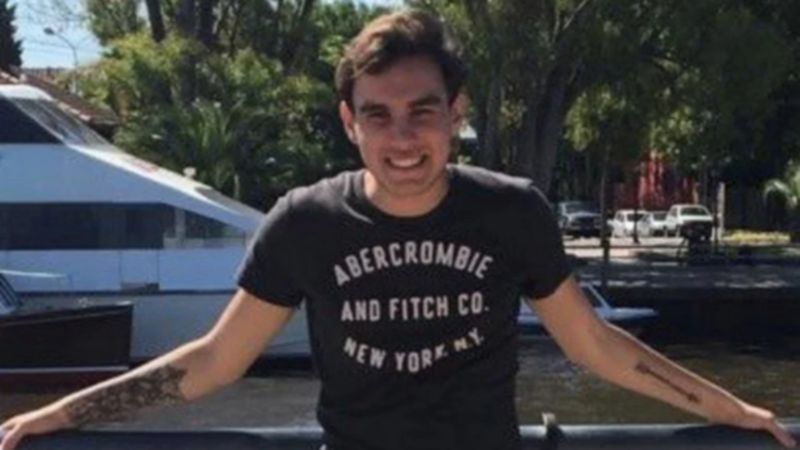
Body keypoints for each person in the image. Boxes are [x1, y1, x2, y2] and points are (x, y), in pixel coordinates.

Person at [0, 9, 796, 450]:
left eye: (423, 111)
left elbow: (592, 344)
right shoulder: (305, 222)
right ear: (350, 123)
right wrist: (63, 415)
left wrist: (731, 409)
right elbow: (215, 360)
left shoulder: (511, 212)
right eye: (378, 115)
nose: (403, 137)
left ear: (456, 114)